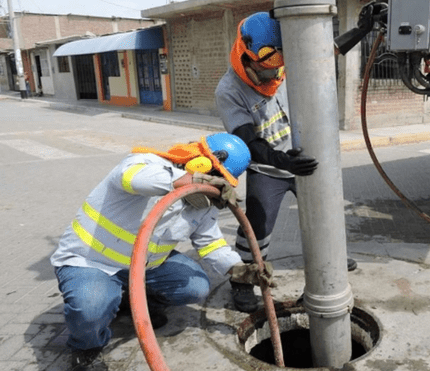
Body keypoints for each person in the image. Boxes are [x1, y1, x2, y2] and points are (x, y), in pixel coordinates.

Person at [50, 133, 274, 371]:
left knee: (195, 286)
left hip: (145, 266)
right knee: (91, 306)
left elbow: (211, 243)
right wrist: (187, 180)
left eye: (220, 180)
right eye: (214, 176)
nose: (214, 185)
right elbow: (132, 179)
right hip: (91, 261)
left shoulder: (202, 202)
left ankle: (134, 300)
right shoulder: (147, 164)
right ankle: (86, 350)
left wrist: (239, 270)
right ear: (199, 163)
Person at [215, 12, 357, 314]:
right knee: (258, 228)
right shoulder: (229, 90)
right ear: (247, 56)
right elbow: (247, 142)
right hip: (268, 169)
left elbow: (327, 51)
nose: (274, 76)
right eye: (266, 71)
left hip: (302, 160)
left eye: (277, 69)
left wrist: (364, 29)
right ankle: (243, 281)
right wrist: (280, 160)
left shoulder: (283, 63)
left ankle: (329, 261)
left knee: (326, 216)